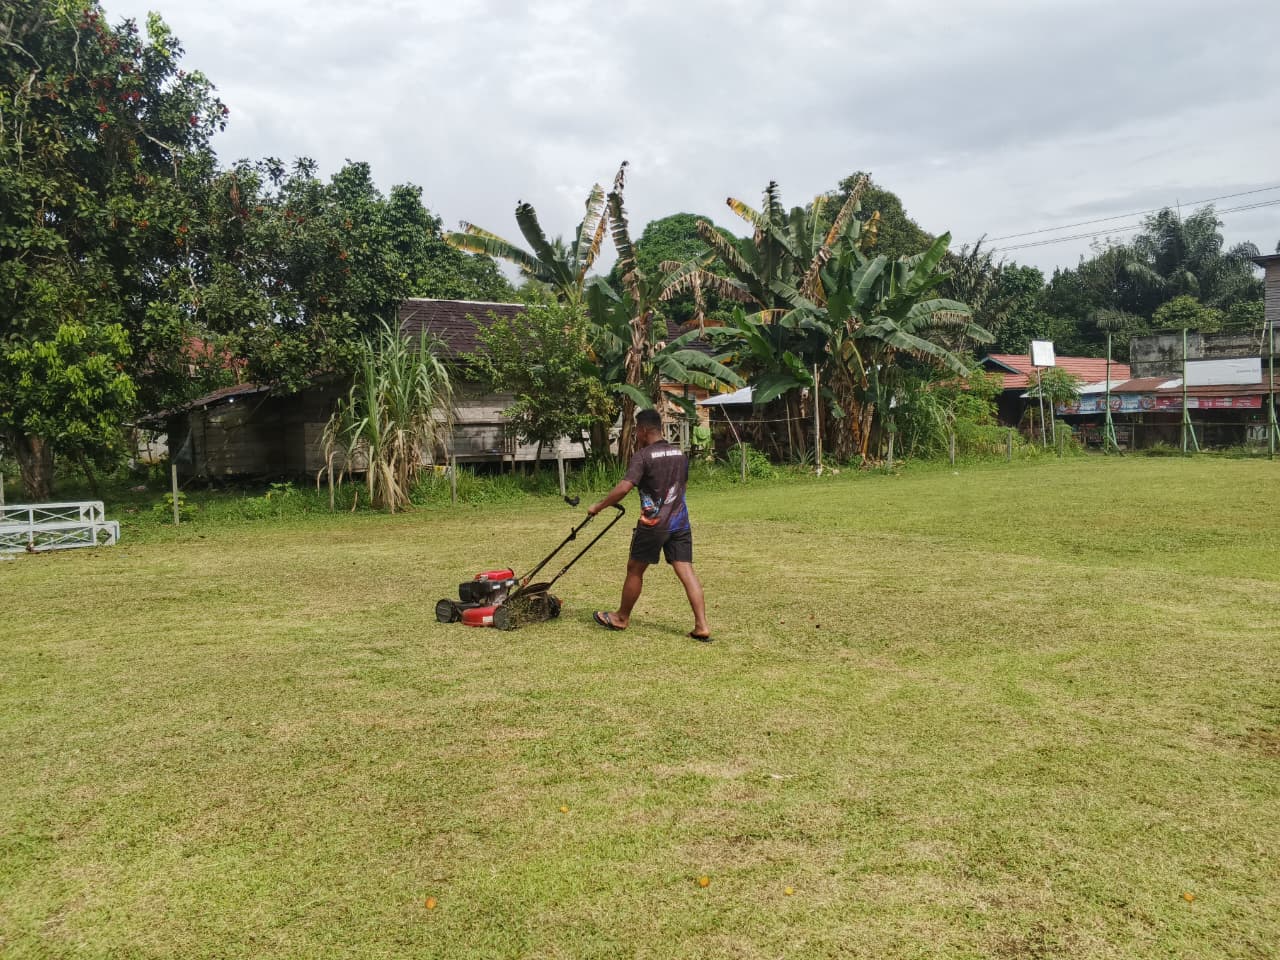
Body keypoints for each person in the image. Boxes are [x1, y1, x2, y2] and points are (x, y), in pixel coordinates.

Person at [589, 409, 711, 641]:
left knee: (635, 569)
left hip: (653, 523)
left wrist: (599, 506)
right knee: (686, 570)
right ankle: (702, 625)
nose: (636, 435)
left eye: (637, 430)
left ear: (643, 430)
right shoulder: (679, 454)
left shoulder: (643, 456)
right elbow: (681, 486)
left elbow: (624, 487)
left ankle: (621, 618)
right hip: (680, 522)